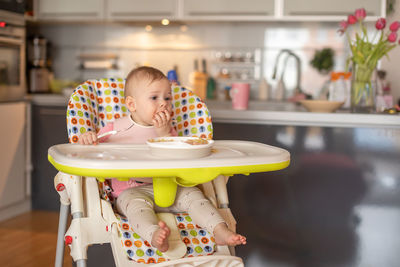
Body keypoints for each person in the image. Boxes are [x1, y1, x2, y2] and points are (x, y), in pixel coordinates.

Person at [79, 66, 246, 252]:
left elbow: (179, 157)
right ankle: (155, 235)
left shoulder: (169, 131)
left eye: (167, 98)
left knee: (196, 197)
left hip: (171, 186)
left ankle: (219, 230)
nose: (163, 103)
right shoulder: (114, 129)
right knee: (136, 210)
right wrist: (88, 137)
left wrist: (164, 134)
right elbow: (90, 150)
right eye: (154, 98)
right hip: (131, 190)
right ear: (132, 104)